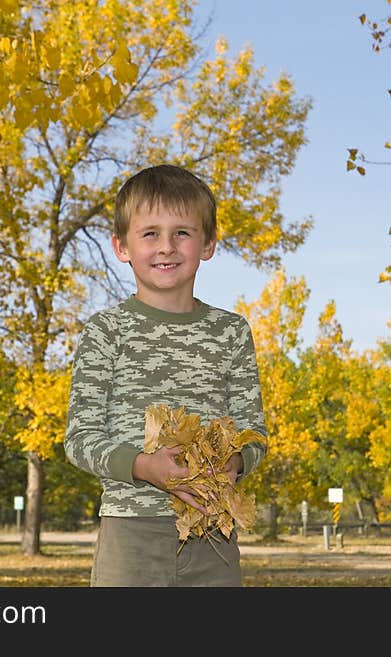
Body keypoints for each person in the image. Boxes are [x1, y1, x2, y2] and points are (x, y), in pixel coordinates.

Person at [64, 163, 268, 587]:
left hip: (214, 531)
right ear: (122, 246)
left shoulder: (230, 332)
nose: (166, 247)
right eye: (150, 233)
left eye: (183, 232)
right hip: (130, 535)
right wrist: (142, 466)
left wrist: (234, 462)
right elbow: (80, 439)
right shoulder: (107, 331)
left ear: (208, 244)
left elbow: (255, 432)